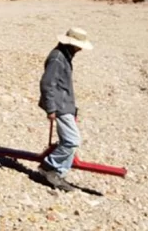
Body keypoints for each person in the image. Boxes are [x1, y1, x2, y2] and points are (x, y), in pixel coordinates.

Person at [38, 27, 93, 191]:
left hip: (64, 104)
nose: (80, 49)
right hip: (60, 106)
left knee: (68, 141)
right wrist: (51, 108)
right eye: (78, 45)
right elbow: (47, 84)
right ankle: (49, 167)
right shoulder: (57, 58)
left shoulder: (64, 55)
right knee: (72, 141)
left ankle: (58, 174)